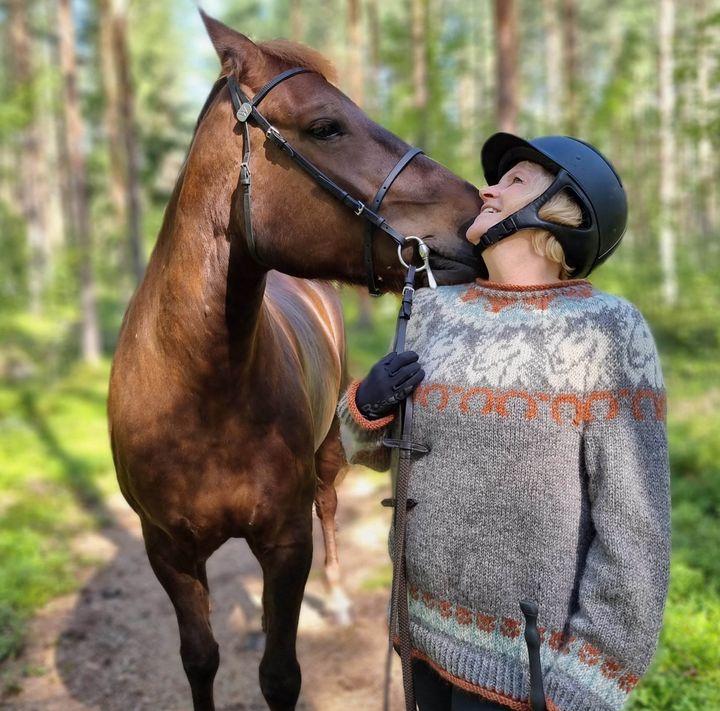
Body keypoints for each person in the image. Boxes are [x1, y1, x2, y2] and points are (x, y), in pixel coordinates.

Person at [337, 133, 670, 711]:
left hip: (531, 673)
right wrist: (364, 408)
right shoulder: (433, 310)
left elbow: (635, 526)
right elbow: (370, 453)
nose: (487, 189)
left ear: (563, 211)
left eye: (515, 182)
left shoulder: (607, 329)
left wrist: (587, 683)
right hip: (418, 636)